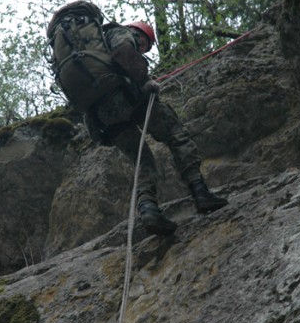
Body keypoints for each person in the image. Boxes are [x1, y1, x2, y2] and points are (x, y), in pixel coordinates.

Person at [85, 19, 228, 235]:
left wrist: (96, 131)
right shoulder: (120, 33)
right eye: (144, 44)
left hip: (105, 118)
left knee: (142, 161)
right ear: (137, 32)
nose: (143, 49)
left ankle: (149, 210)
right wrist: (144, 81)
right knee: (175, 133)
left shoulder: (89, 54)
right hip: (129, 100)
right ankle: (200, 192)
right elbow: (124, 50)